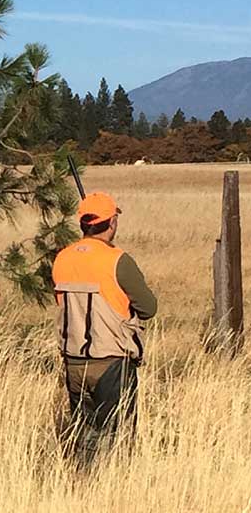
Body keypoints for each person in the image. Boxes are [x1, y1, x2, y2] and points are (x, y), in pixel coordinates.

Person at [52, 192, 157, 460]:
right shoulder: (118, 260)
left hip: (74, 362)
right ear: (111, 224)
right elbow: (148, 308)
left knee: (84, 439)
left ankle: (82, 490)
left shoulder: (62, 258)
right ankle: (112, 494)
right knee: (117, 442)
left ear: (83, 224)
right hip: (111, 362)